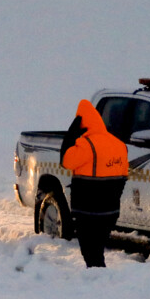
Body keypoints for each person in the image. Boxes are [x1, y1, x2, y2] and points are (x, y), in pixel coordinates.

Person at [59, 100, 129, 268]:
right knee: (97, 249)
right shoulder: (119, 145)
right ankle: (99, 277)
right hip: (110, 209)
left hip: (88, 210)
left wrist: (71, 134)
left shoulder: (86, 145)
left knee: (90, 251)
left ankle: (98, 280)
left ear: (81, 123)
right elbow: (123, 175)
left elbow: (65, 161)